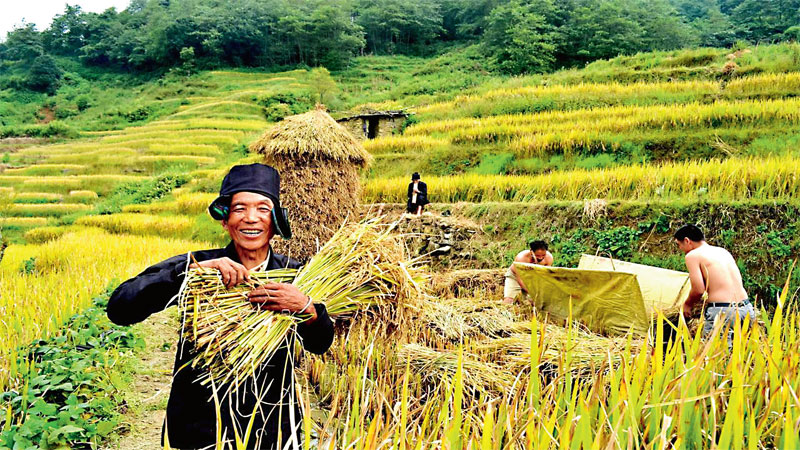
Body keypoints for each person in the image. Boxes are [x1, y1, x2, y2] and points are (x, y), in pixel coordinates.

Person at [107, 163, 334, 450]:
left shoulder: (296, 275)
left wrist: (307, 309)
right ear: (225, 221)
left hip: (271, 422)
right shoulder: (199, 265)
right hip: (201, 421)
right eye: (239, 209)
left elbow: (321, 342)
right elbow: (120, 308)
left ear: (276, 221)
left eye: (263, 209)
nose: (251, 219)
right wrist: (191, 272)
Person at [673, 224, 756, 339]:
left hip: (723, 312)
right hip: (746, 308)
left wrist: (687, 305)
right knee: (741, 353)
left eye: (679, 245)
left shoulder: (693, 256)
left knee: (713, 354)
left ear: (687, 241)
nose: (680, 249)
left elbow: (698, 289)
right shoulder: (722, 251)